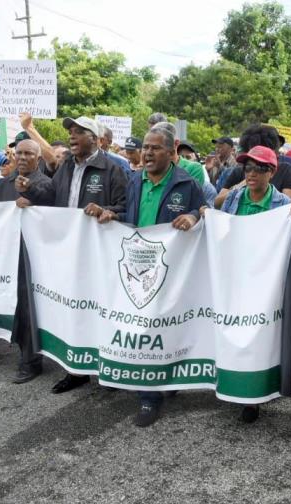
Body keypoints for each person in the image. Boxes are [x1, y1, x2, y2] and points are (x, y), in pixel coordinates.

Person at [91, 125, 203, 427]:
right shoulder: (134, 180)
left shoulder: (187, 183)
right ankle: (148, 396)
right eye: (146, 148)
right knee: (144, 326)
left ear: (171, 153)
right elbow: (128, 212)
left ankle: (169, 377)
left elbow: (205, 210)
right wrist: (113, 214)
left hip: (173, 268)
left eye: (155, 148)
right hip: (138, 267)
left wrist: (194, 216)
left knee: (167, 326)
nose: (148, 153)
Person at [0, 139, 55, 383]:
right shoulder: (4, 183)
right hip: (5, 255)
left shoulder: (46, 183)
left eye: (28, 154)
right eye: (19, 153)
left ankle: (30, 362)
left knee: (27, 309)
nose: (23, 157)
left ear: (38, 158)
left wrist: (30, 193)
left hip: (31, 257)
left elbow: (50, 203)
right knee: (10, 305)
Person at [49, 115, 128, 394]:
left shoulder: (113, 168)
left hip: (99, 252)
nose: (71, 136)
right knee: (74, 308)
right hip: (69, 252)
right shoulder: (66, 165)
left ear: (94, 138)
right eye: (70, 132)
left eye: (79, 132)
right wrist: (30, 191)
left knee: (102, 309)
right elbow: (51, 194)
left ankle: (110, 368)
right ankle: (76, 370)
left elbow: (125, 206)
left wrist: (108, 211)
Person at [218, 145, 291, 423]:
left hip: (265, 282)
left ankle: (254, 396)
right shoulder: (235, 196)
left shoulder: (283, 205)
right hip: (236, 277)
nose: (251, 173)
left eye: (259, 168)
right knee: (235, 328)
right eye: (246, 168)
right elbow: (223, 229)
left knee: (260, 336)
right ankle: (234, 381)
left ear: (271, 172)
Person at [215, 124, 291, 208]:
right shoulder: (239, 171)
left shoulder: (286, 170)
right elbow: (217, 203)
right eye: (253, 151)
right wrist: (243, 184)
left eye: (261, 168)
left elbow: (288, 207)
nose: (252, 172)